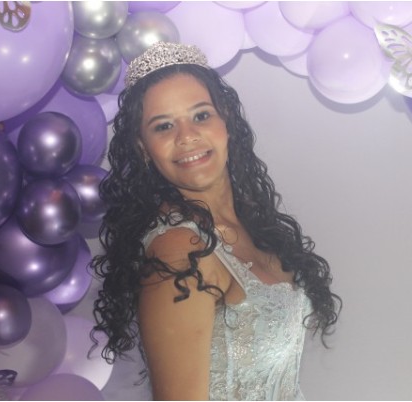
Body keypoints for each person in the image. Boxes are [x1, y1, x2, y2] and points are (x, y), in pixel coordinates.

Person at [92, 42, 341, 401]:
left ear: (226, 120)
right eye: (163, 126)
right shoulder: (180, 250)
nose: (186, 137)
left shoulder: (251, 222)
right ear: (143, 148)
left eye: (200, 115)